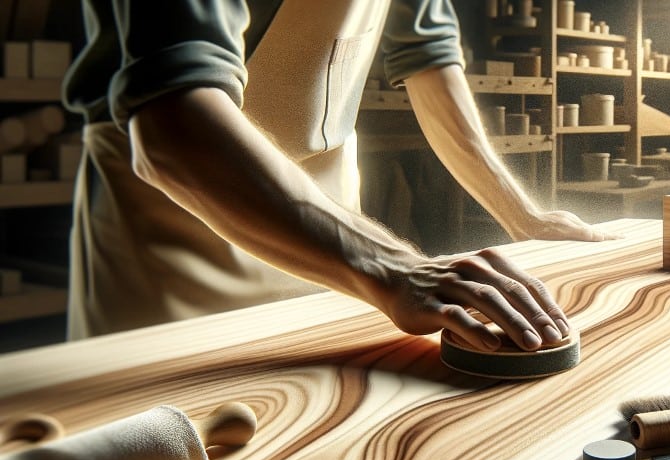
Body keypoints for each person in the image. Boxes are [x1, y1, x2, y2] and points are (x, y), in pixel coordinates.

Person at [61, 0, 614, 352]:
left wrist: (522, 214)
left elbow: (427, 56)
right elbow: (174, 127)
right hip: (176, 231)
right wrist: (392, 266)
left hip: (334, 240)